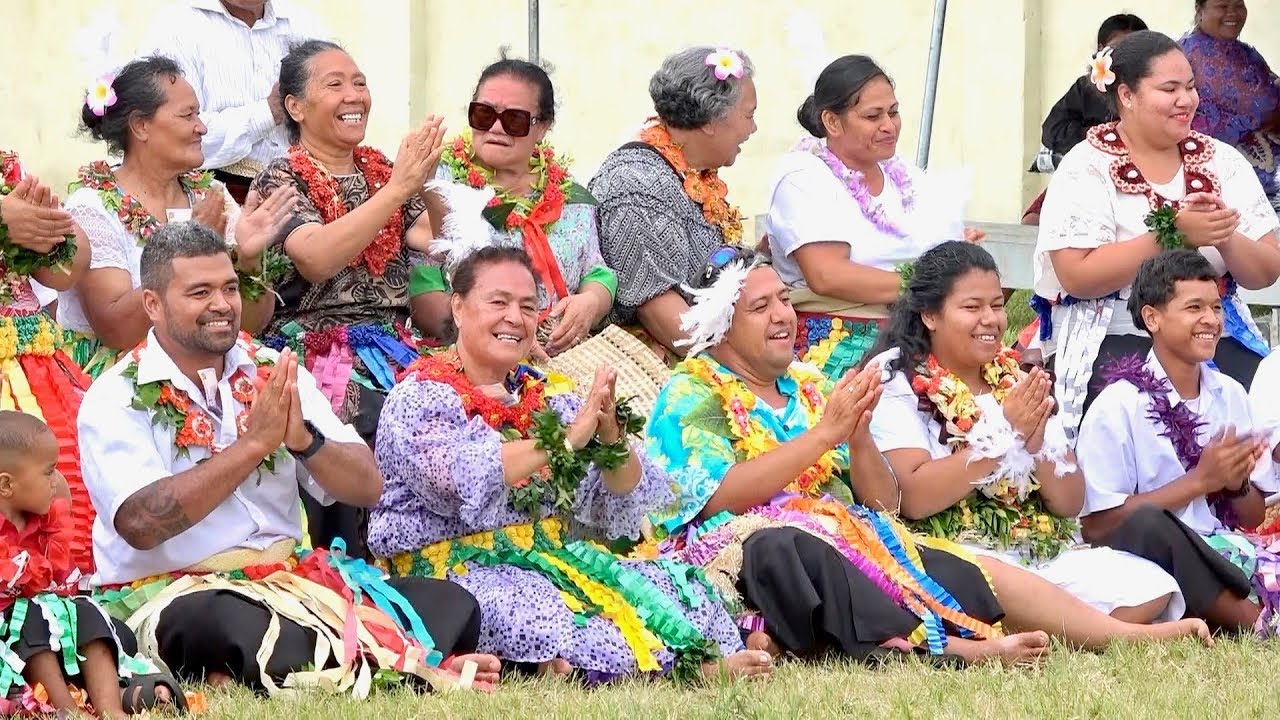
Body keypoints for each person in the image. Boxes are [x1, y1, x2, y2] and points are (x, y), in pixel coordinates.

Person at [646, 246, 1209, 666]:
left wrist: (857, 437)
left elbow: (884, 504)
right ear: (721, 326)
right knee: (809, 546)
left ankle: (1004, 633)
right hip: (757, 544)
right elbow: (710, 499)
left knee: (1138, 587)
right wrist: (825, 437)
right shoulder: (692, 390)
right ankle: (1034, 644)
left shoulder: (812, 386)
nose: (782, 316)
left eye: (784, 301)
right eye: (759, 307)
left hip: (860, 535)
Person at [78, 222, 499, 695]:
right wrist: (253, 446)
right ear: (153, 304)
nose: (222, 305)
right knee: (224, 622)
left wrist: (304, 441)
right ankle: (400, 663)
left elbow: (367, 487)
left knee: (450, 602)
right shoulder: (114, 397)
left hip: (288, 580)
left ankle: (321, 665)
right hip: (180, 590)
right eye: (200, 292)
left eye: (229, 288)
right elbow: (140, 524)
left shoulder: (271, 369)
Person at [370, 246, 772, 682]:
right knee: (537, 610)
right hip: (451, 572)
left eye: (528, 306)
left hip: (545, 559)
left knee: (673, 582)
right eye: (498, 302)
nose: (514, 318)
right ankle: (685, 671)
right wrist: (563, 440)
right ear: (459, 307)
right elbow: (454, 476)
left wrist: (611, 436)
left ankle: (717, 647)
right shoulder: (421, 394)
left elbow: (621, 494)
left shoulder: (543, 395)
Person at [864, 241, 1185, 624]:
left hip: (1035, 549)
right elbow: (913, 499)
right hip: (952, 551)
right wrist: (1005, 437)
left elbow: (1070, 503)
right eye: (972, 307)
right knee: (984, 576)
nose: (991, 319)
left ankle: (1051, 623)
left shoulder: (1016, 379)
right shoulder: (897, 377)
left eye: (997, 305)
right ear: (930, 315)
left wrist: (1037, 444)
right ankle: (1106, 631)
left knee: (1151, 587)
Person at [1032, 30, 1280, 443]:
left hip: (1212, 332)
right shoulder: (1086, 166)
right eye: (1170, 89)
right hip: (1117, 331)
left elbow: (1266, 270)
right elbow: (1077, 275)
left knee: (1262, 413)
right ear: (1126, 95)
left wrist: (1222, 234)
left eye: (1191, 87)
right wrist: (1173, 235)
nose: (1187, 100)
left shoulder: (1222, 160)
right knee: (1148, 423)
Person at [248, 40, 446, 554]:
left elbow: (432, 239)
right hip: (317, 348)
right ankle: (357, 564)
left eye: (359, 82)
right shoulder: (281, 175)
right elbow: (314, 257)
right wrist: (398, 190)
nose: (354, 95)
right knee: (371, 416)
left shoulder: (380, 170)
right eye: (334, 84)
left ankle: (431, 556)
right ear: (295, 106)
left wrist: (430, 183)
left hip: (394, 344)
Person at [1077, 249, 1280, 636]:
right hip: (1146, 560)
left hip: (1225, 550)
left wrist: (1235, 482)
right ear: (1152, 318)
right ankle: (1253, 621)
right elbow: (1097, 526)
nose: (1211, 320)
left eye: (1216, 307)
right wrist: (1200, 481)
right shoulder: (1119, 404)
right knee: (1151, 524)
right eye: (1194, 308)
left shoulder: (1230, 394)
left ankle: (1232, 608)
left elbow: (1252, 518)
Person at [61, 55, 294, 378]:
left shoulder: (210, 193)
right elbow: (117, 331)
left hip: (206, 362)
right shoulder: (93, 206)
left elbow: (251, 325)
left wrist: (250, 260)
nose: (202, 127)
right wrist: (185, 252)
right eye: (188, 115)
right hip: (123, 375)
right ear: (141, 126)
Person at [765, 55, 985, 381]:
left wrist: (955, 256)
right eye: (873, 116)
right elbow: (827, 275)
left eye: (893, 112)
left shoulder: (904, 176)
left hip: (917, 332)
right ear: (832, 122)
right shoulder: (803, 176)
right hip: (839, 344)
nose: (889, 126)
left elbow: (935, 246)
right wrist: (935, 285)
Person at [410, 56, 614, 357]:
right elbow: (422, 287)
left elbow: (596, 272)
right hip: (471, 359)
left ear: (542, 126)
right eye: (483, 114)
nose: (496, 128)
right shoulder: (437, 181)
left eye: (514, 119)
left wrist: (591, 302)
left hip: (566, 360)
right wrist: (508, 336)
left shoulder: (566, 192)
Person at [0, 411, 188, 717]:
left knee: (88, 612)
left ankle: (110, 707)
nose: (57, 481)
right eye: (49, 472)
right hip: (11, 645)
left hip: (56, 635)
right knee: (29, 616)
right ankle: (67, 709)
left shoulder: (46, 522)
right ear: (6, 485)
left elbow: (60, 587)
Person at [591, 46, 757, 364]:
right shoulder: (637, 184)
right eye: (748, 115)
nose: (753, 129)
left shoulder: (689, 173)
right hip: (672, 374)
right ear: (711, 120)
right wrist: (745, 371)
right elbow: (664, 314)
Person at [0, 151, 98, 574]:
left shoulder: (7, 172)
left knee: (66, 478)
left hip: (36, 368)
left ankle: (60, 592)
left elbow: (66, 273)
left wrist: (51, 230)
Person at [138, 0, 328, 202]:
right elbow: (170, 135)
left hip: (305, 189)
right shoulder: (176, 26)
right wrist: (268, 112)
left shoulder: (302, 23)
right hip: (210, 194)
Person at [1180, 0, 1280, 207]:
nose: (1233, 13)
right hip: (1222, 172)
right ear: (1200, 10)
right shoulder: (1194, 52)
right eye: (1223, 6)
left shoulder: (1246, 53)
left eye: (1239, 5)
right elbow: (1261, 108)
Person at [1030, 13, 1148, 173]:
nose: (1126, 57)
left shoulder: (1151, 88)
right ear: (1101, 49)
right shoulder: (1086, 88)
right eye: (1118, 48)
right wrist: (1100, 135)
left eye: (1134, 49)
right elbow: (1053, 131)